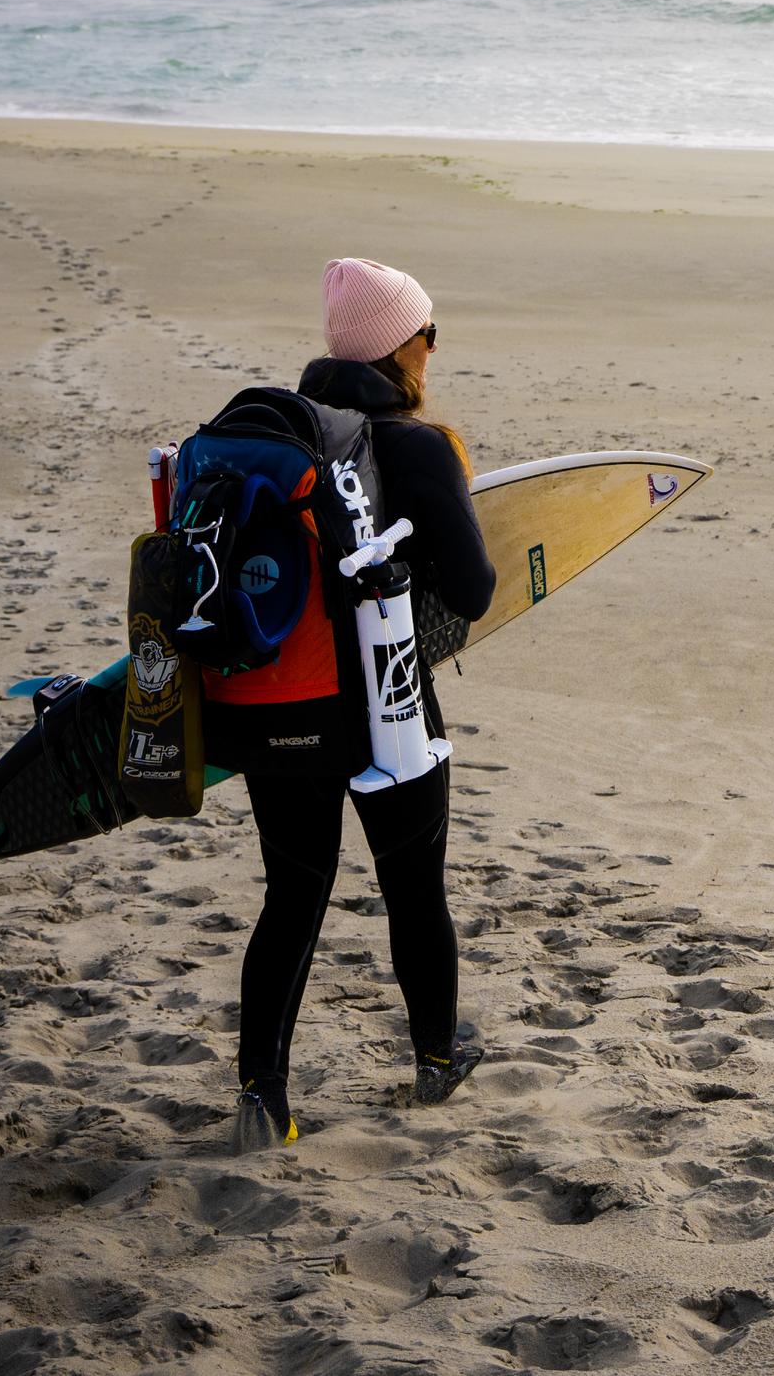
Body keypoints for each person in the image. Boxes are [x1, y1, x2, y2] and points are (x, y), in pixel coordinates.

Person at [202, 256, 497, 1151]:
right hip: (386, 706)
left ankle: (264, 1097)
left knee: (293, 893)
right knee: (413, 888)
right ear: (402, 346)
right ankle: (436, 1059)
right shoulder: (415, 446)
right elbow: (478, 590)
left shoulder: (287, 440)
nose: (435, 347)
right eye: (429, 332)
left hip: (272, 701)